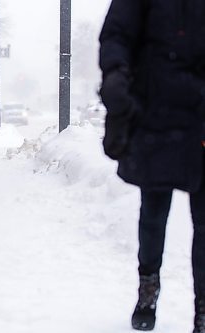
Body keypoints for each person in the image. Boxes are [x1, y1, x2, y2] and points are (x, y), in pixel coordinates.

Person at [99, 0, 205, 331]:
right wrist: (116, 72)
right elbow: (116, 33)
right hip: (156, 114)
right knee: (154, 215)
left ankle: (203, 309)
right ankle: (148, 288)